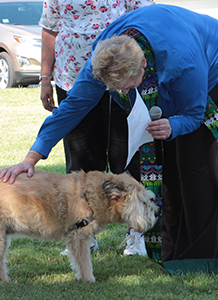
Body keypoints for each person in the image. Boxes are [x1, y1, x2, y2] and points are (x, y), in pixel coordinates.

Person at [0, 4, 218, 265]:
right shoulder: (104, 57)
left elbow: (194, 114)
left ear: (143, 65)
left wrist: (174, 125)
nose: (127, 93)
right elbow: (71, 109)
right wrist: (31, 158)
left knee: (192, 158)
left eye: (130, 87)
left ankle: (201, 256)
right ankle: (173, 252)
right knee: (169, 162)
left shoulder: (181, 60)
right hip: (174, 59)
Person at [39, 0, 153, 256]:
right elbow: (50, 29)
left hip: (123, 77)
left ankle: (137, 233)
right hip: (72, 76)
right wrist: (46, 77)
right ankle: (83, 233)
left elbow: (144, 19)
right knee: (81, 162)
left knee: (129, 154)